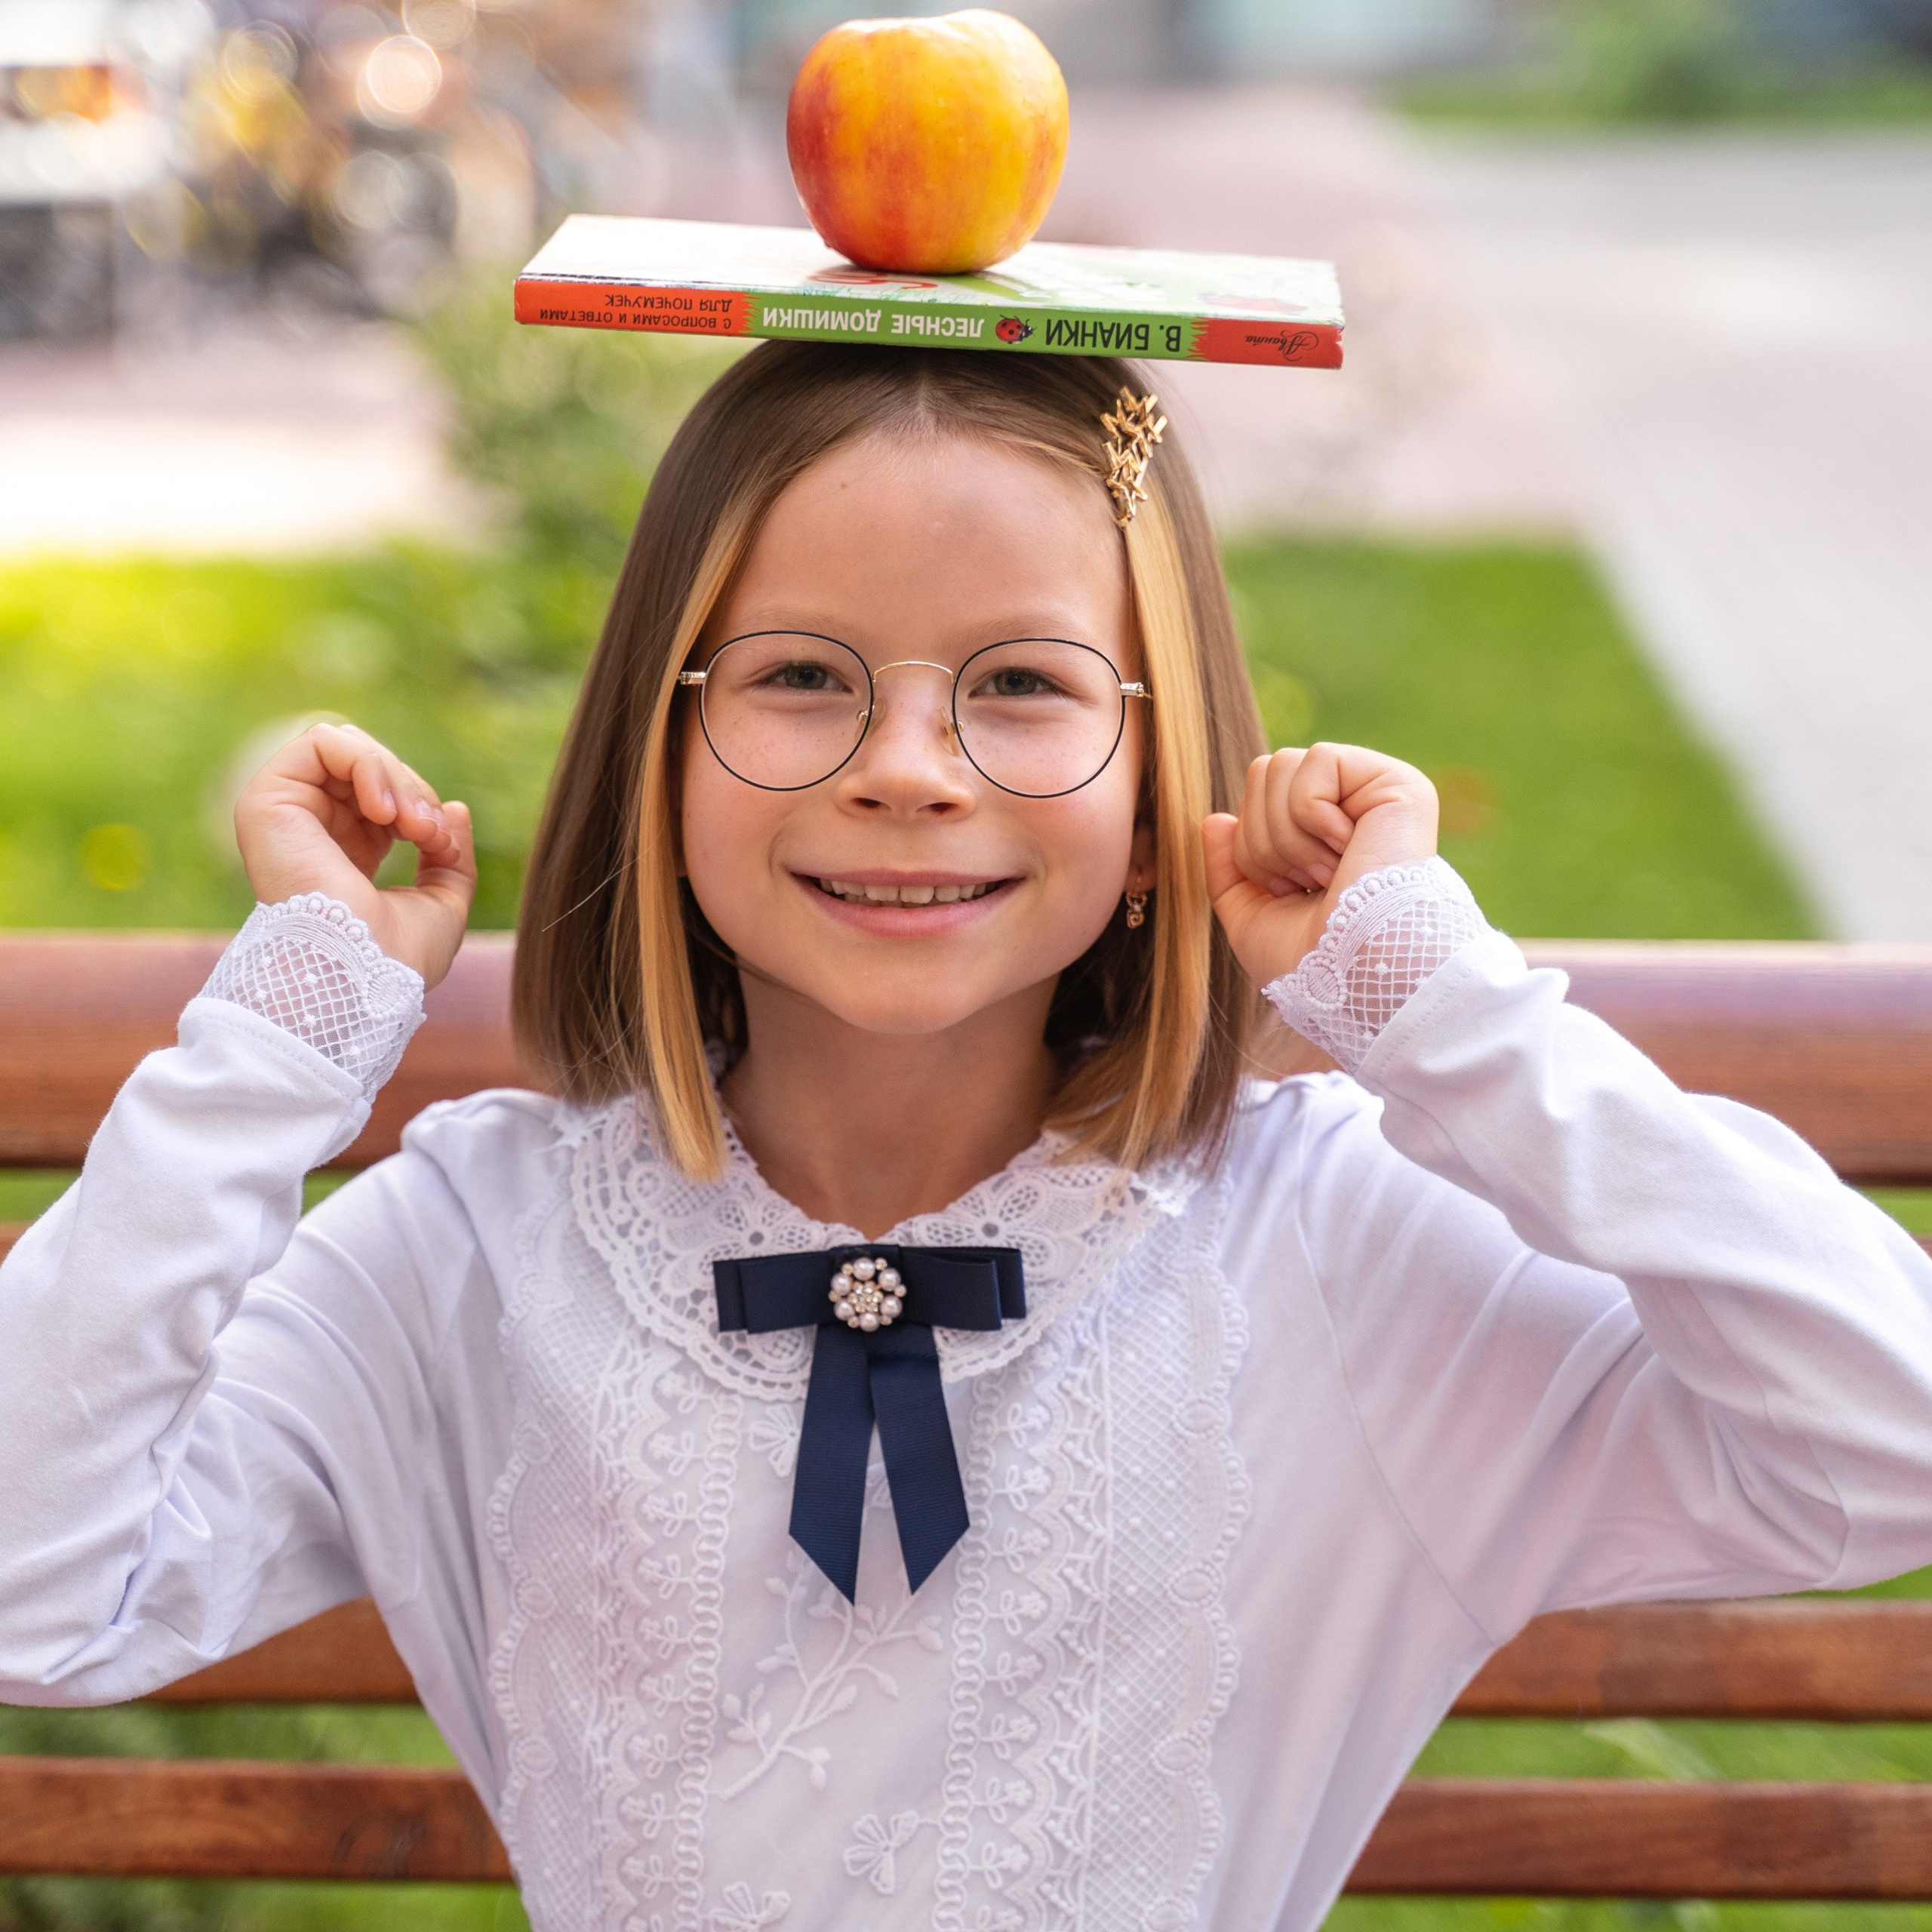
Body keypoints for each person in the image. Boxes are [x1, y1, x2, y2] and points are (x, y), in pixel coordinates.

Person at [4, 343, 1931, 1932]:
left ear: (1165, 754)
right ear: (653, 743)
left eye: (1019, 683)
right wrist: (296, 1019)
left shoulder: (1329, 1257)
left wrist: (1431, 998)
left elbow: (1888, 1435)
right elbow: (34, 1580)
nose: (907, 768)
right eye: (795, 676)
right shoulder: (466, 1259)